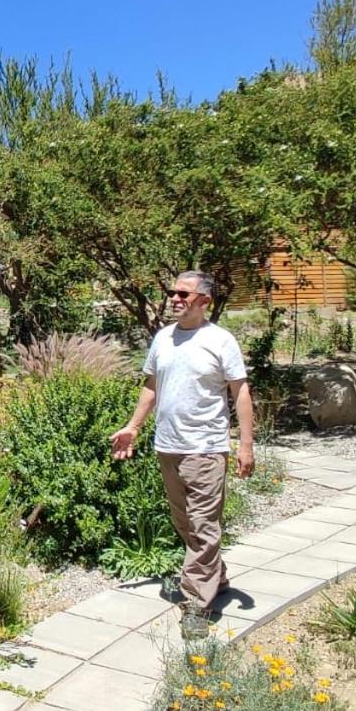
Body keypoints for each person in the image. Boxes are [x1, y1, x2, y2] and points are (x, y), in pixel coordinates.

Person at [109, 270, 254, 638]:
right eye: (172, 292)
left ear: (204, 301)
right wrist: (133, 426)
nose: (174, 298)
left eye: (183, 294)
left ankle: (196, 605)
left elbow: (240, 392)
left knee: (203, 525)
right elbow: (152, 385)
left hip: (205, 449)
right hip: (168, 447)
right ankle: (215, 578)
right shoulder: (163, 338)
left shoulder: (220, 341)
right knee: (186, 523)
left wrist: (245, 445)